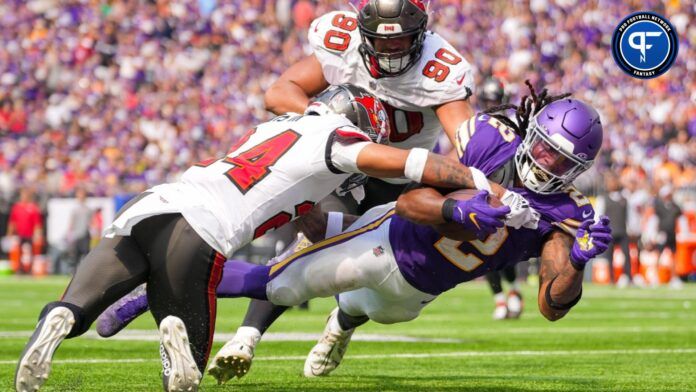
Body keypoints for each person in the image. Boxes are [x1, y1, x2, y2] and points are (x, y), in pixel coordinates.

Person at [15, 85, 528, 392]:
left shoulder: (281, 122)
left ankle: (64, 317)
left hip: (156, 201)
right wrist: (483, 183)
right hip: (205, 228)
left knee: (77, 300)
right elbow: (414, 162)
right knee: (190, 364)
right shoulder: (342, 142)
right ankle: (173, 328)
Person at [203, 87, 610, 380]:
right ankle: (175, 279)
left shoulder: (567, 215)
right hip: (384, 240)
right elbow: (409, 204)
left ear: (578, 170)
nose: (545, 165)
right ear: (531, 135)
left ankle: (340, 323)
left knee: (363, 307)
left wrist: (576, 263)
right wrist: (456, 207)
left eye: (561, 162)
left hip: (418, 294)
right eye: (543, 150)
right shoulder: (490, 142)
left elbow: (550, 307)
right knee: (284, 283)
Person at [180, 0, 477, 372]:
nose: (391, 50)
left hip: (402, 175)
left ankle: (341, 324)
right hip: (344, 162)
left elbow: (470, 142)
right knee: (311, 238)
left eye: (401, 40)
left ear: (420, 34)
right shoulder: (344, 43)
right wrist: (321, 116)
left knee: (383, 277)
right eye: (381, 42)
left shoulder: (438, 69)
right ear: (363, 33)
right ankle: (246, 337)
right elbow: (278, 93)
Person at [476, 76, 523, 319]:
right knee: (486, 250)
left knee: (505, 251)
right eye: (487, 100)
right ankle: (500, 300)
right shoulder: (476, 124)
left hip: (508, 193)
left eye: (493, 100)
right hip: (482, 191)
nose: (489, 105)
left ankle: (514, 291)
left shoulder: (513, 124)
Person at [7, 188, 43, 274]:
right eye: (23, 195)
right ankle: (19, 269)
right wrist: (10, 233)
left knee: (32, 252)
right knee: (18, 252)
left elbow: (37, 223)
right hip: (20, 234)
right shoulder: (16, 207)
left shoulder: (33, 208)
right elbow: (12, 222)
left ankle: (30, 269)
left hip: (30, 234)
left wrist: (37, 234)